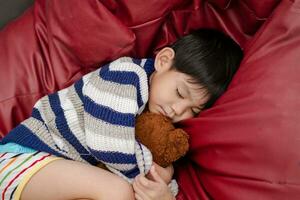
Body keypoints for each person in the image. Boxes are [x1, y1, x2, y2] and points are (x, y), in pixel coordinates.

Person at [0, 28, 243, 200]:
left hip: (56, 178)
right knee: (117, 191)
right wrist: (161, 179)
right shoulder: (125, 76)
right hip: (21, 161)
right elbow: (108, 143)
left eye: (194, 110)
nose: (178, 111)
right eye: (180, 93)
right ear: (164, 60)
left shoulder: (156, 117)